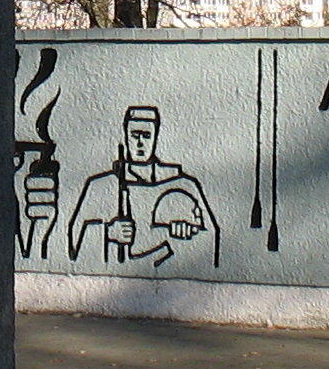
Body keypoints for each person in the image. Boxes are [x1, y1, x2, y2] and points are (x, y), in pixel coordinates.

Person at [67, 106, 221, 269]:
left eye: (146, 136)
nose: (140, 143)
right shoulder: (99, 186)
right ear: (126, 135)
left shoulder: (183, 184)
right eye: (135, 135)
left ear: (155, 136)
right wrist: (107, 233)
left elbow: (212, 238)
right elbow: (74, 243)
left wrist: (187, 232)